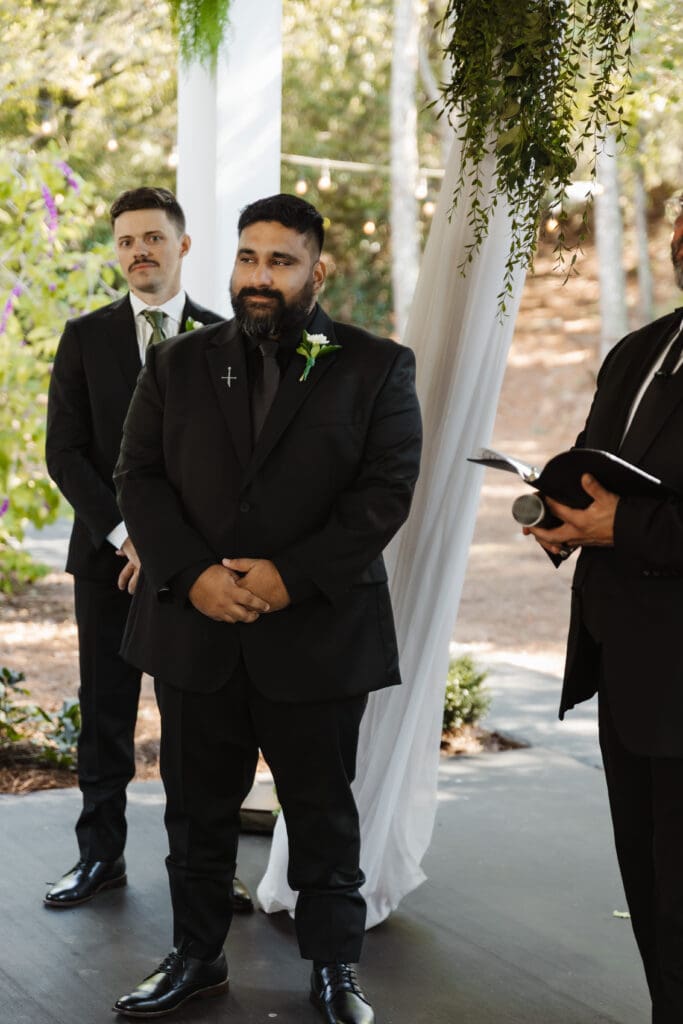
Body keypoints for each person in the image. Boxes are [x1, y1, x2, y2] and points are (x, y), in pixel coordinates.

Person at [111, 193, 422, 1022]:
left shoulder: (376, 365)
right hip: (194, 629)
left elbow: (385, 491)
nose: (259, 277)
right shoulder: (175, 363)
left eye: (280, 262)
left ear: (317, 271)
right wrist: (191, 574)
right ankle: (195, 956)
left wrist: (289, 575)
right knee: (195, 813)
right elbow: (137, 476)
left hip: (317, 633)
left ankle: (333, 968)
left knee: (323, 813)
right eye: (249, 258)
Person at [45, 186, 252, 915]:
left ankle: (202, 870)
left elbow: (235, 463)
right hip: (107, 562)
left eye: (153, 239)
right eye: (127, 240)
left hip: (190, 573)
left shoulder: (229, 338)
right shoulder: (84, 337)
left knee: (195, 728)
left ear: (183, 246)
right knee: (105, 713)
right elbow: (64, 454)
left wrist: (174, 551)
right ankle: (98, 857)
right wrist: (131, 536)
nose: (140, 252)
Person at [525, 196, 683, 1023]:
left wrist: (628, 525)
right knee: (650, 886)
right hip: (624, 661)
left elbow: (634, 513)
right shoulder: (638, 351)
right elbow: (599, 471)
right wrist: (563, 520)